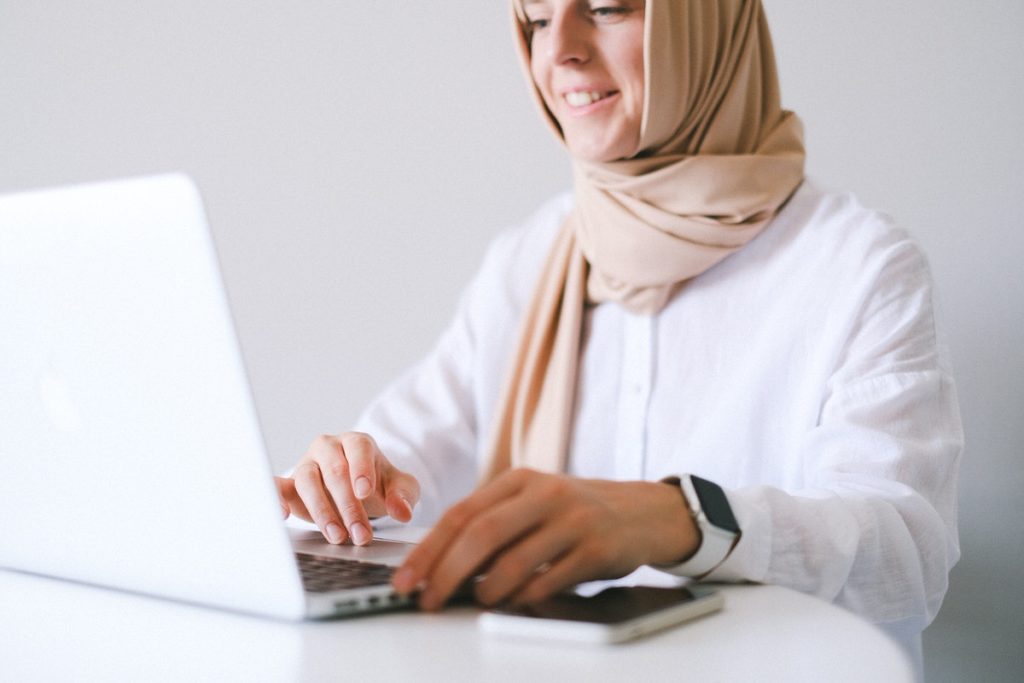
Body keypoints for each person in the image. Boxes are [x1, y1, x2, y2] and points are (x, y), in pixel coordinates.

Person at [275, 0, 961, 670]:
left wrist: (681, 518)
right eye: (537, 20)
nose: (559, 48)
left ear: (706, 22)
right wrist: (349, 479)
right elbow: (410, 454)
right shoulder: (530, 256)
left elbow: (905, 550)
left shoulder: (859, 265)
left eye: (606, 9)